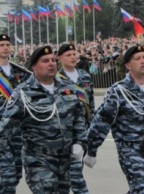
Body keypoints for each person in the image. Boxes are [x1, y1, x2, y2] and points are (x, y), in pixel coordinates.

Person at [83, 45, 144, 194]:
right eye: (137, 59)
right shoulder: (119, 91)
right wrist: (91, 150)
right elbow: (101, 122)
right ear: (127, 65)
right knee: (143, 190)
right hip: (130, 150)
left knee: (141, 190)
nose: (143, 61)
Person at [0, 45, 88, 194]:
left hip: (65, 159)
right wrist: (7, 162)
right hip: (39, 160)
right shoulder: (23, 93)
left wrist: (80, 142)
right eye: (45, 61)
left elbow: (79, 118)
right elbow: (4, 130)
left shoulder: (69, 89)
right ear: (34, 66)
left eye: (53, 60)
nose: (51, 63)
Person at [57, 43, 95, 194]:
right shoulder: (56, 79)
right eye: (68, 55)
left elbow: (91, 103)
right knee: (75, 176)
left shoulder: (85, 76)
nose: (73, 57)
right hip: (65, 132)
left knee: (73, 173)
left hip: (83, 130)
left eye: (74, 54)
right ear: (60, 58)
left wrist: (92, 130)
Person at [0, 34, 31, 194]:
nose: (5, 47)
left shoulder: (21, 73)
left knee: (17, 172)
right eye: (1, 45)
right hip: (0, 133)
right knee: (8, 177)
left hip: (18, 132)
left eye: (7, 44)